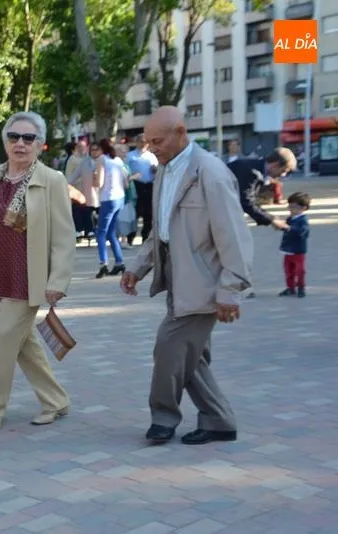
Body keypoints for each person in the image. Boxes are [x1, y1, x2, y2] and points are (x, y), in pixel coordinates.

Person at [121, 106, 252, 446]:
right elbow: (159, 230)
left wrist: (230, 290)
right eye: (147, 141)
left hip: (204, 286)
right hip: (176, 281)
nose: (151, 148)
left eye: (157, 141)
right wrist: (138, 267)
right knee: (188, 357)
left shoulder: (211, 172)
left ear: (181, 132)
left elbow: (234, 237)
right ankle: (219, 421)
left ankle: (163, 417)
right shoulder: (165, 168)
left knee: (168, 347)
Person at [0, 111, 76, 434]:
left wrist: (58, 281)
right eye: (14, 137)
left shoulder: (51, 180)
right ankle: (55, 400)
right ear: (5, 142)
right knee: (22, 343)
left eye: (28, 138)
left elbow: (65, 237)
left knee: (1, 338)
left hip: (28, 278)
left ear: (40, 144)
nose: (20, 144)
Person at [92, 138, 128, 278]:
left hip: (108, 198)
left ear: (101, 149)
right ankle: (119, 262)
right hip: (119, 197)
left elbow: (99, 183)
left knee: (100, 232)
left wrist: (93, 179)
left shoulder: (102, 160)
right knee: (111, 232)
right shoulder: (118, 160)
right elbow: (125, 182)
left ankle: (103, 264)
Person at [125, 134, 159, 244]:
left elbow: (156, 170)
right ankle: (131, 237)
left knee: (148, 213)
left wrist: (155, 170)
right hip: (136, 185)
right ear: (137, 143)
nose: (143, 144)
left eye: (145, 142)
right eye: (141, 141)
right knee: (135, 212)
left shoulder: (151, 156)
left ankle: (146, 237)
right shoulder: (130, 156)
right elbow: (125, 169)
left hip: (149, 185)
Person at [279, 192, 311, 298]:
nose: (291, 209)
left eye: (294, 206)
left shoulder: (303, 220)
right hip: (287, 249)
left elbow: (303, 232)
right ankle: (290, 287)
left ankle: (301, 287)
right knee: (288, 270)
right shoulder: (290, 218)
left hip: (298, 251)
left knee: (300, 271)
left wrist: (289, 228)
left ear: (304, 208)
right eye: (290, 206)